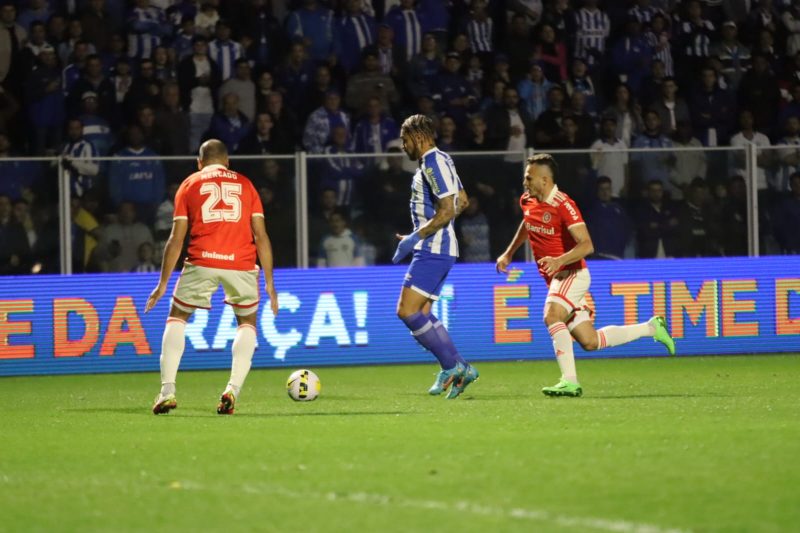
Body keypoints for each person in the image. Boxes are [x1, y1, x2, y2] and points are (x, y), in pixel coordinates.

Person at [495, 154, 675, 398]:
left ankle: (569, 381)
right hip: (557, 280)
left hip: (572, 273)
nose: (525, 181)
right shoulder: (527, 199)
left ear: (545, 180)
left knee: (551, 315)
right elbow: (528, 224)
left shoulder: (563, 204)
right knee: (590, 341)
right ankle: (652, 328)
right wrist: (508, 253)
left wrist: (558, 260)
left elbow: (587, 245)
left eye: (529, 177)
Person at [145, 139, 279, 416]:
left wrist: (162, 284)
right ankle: (232, 390)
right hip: (241, 262)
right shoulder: (246, 184)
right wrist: (270, 283)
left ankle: (167, 391)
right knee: (247, 323)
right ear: (227, 162)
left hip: (202, 259)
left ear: (199, 162)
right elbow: (261, 236)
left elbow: (175, 238)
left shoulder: (190, 184)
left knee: (177, 317)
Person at [392, 114, 478, 399]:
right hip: (439, 246)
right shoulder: (443, 159)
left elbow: (446, 209)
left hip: (433, 248)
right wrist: (421, 232)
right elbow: (462, 201)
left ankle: (450, 366)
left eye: (405, 141)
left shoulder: (432, 162)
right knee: (423, 312)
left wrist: (418, 236)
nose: (403, 147)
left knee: (406, 310)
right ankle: (462, 367)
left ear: (418, 137)